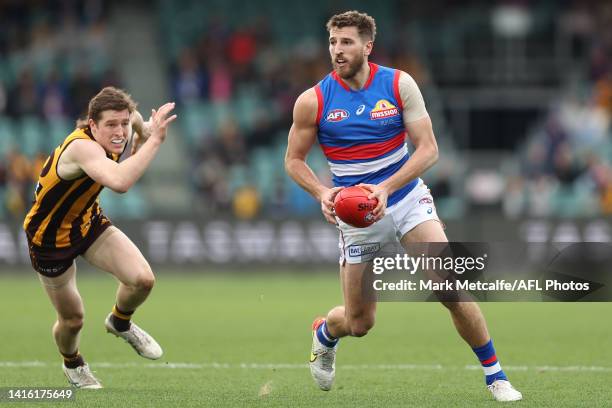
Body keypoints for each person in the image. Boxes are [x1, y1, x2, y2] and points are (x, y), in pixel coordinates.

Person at [285, 11, 522, 402]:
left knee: (450, 287)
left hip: (407, 197)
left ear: (367, 46)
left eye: (346, 42)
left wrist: (386, 187)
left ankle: (496, 376)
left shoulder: (398, 84)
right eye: (333, 42)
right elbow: (293, 160)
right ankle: (325, 333)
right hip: (354, 214)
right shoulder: (313, 100)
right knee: (360, 323)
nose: (337, 51)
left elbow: (429, 149)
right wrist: (322, 193)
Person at [23, 87, 177, 389]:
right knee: (73, 320)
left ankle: (120, 322)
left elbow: (132, 117)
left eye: (122, 123)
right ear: (92, 125)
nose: (119, 131)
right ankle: (73, 363)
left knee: (142, 279)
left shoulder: (120, 122)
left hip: (86, 221)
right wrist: (155, 140)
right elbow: (120, 182)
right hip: (50, 239)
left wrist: (143, 129)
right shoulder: (83, 148)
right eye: (110, 125)